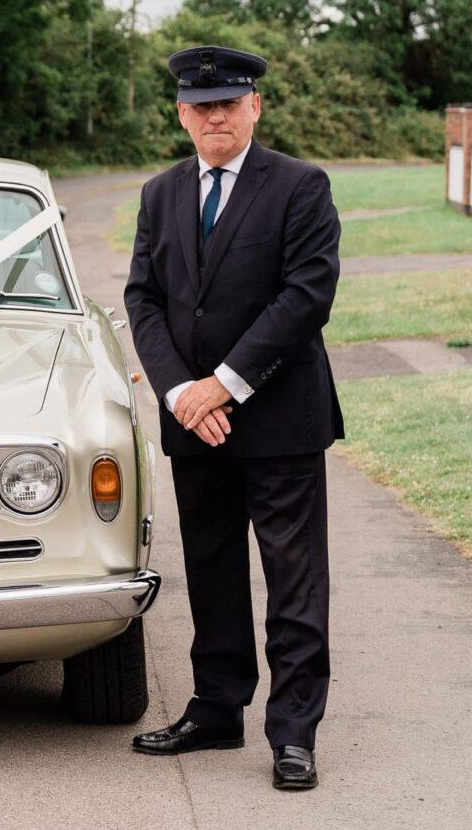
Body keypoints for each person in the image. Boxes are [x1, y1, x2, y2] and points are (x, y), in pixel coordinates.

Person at [122, 45, 343, 791]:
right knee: (212, 571)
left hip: (278, 416)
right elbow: (143, 299)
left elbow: (305, 296)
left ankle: (294, 732)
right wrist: (180, 391)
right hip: (194, 419)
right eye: (200, 106)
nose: (215, 116)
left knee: (293, 577)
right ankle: (216, 710)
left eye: (229, 103)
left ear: (254, 107)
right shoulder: (159, 194)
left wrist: (223, 383)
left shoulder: (301, 187)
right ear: (182, 115)